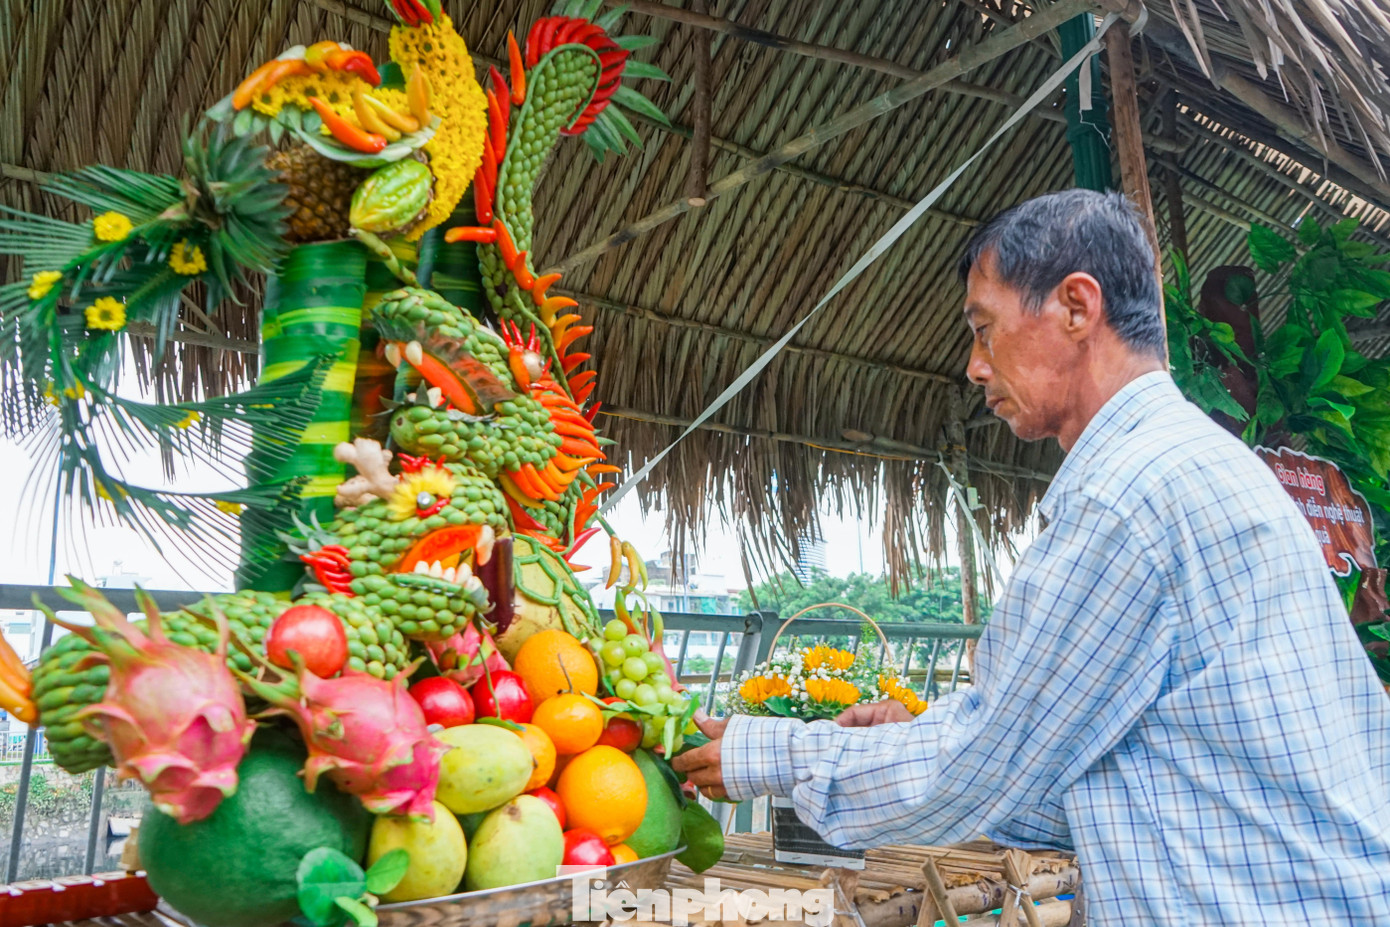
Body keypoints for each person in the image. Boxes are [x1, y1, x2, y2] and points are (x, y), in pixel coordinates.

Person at [673, 189, 1390, 924]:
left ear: (1077, 307)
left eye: (984, 330)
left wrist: (769, 753)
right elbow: (1071, 769)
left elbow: (975, 768)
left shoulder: (1127, 496)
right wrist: (909, 741)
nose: (975, 367)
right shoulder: (1206, 461)